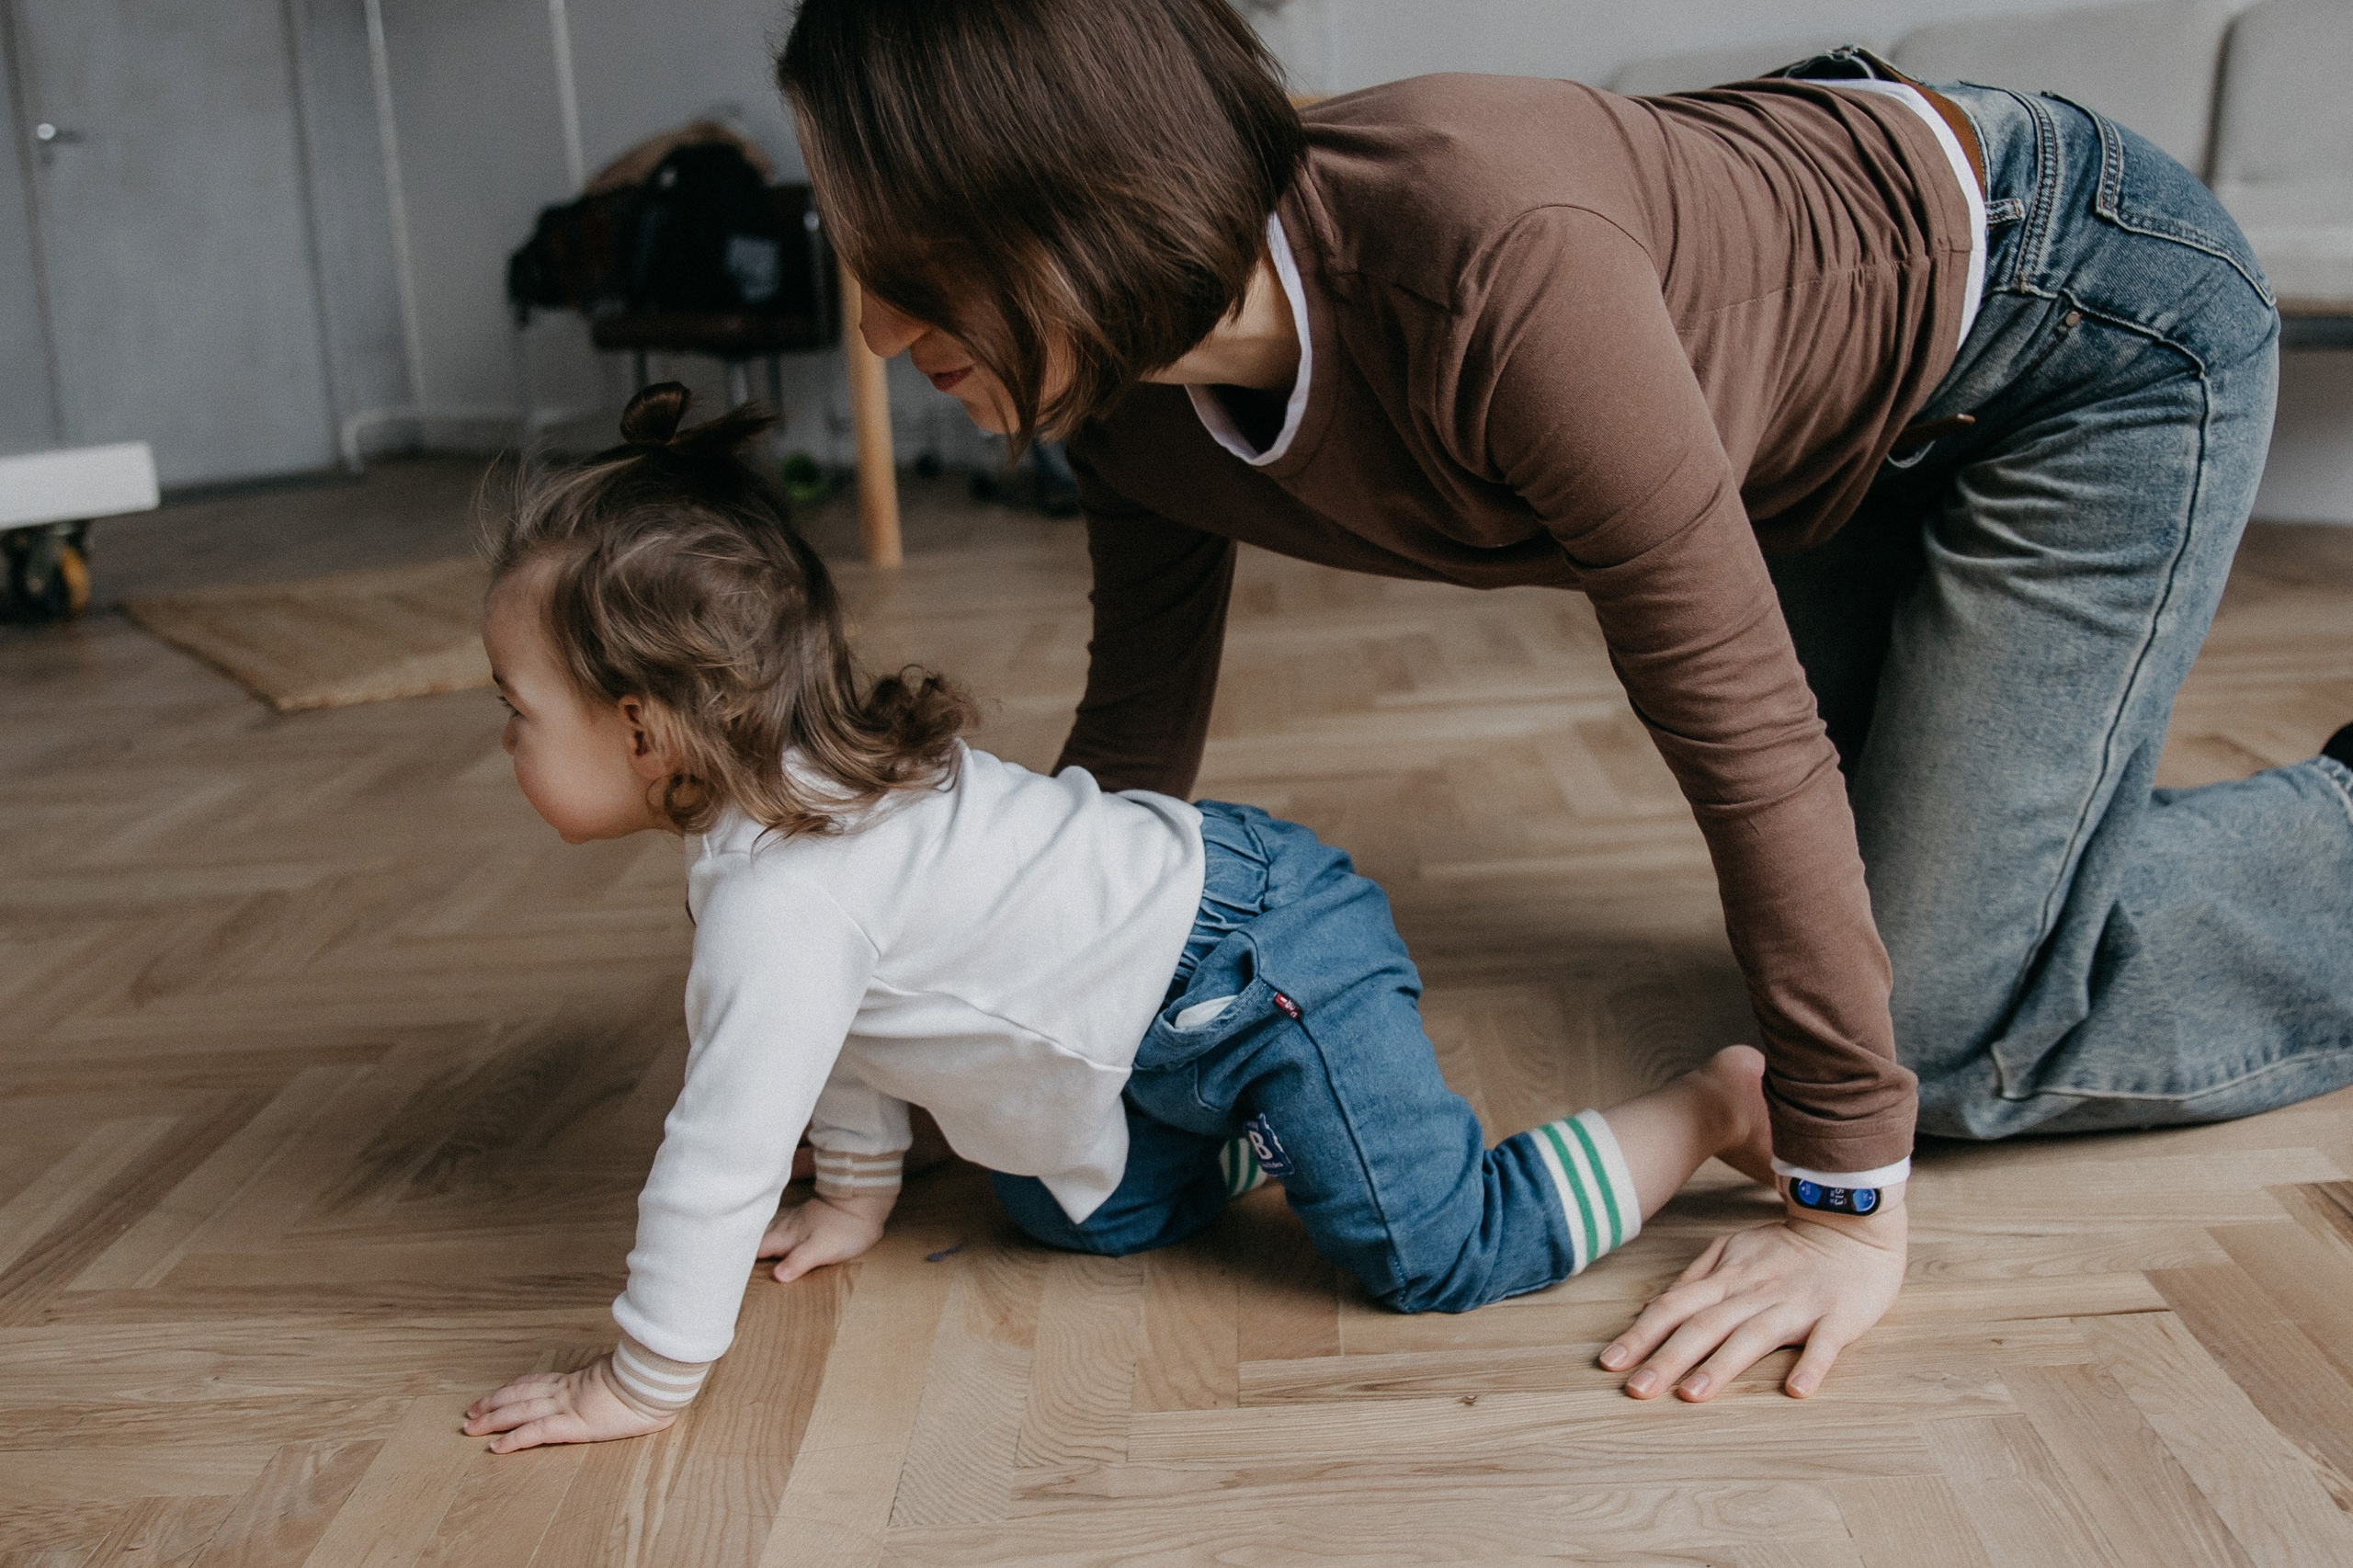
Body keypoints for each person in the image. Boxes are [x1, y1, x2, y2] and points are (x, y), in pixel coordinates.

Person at [774, 0, 2353, 1406]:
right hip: (1826, 453)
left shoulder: (1487, 260)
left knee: (1918, 1036)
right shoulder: (1126, 406)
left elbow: (1742, 738)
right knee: (1893, 955)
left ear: (1068, 201)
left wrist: (1843, 1204)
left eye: (911, 272)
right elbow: (1133, 737)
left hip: (2078, 321)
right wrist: (965, 1056)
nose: (877, 332)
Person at [461, 385, 1807, 1453]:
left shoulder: (779, 896)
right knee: (1060, 1210)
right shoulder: (781, 817)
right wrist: (862, 1197)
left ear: (643, 729)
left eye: (518, 710)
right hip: (1164, 1001)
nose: (506, 735)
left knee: (1429, 1252)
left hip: (1266, 958)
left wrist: (641, 1378)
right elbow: (845, 1030)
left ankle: (1705, 1110)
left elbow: (722, 1151)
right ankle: (1263, 1130)